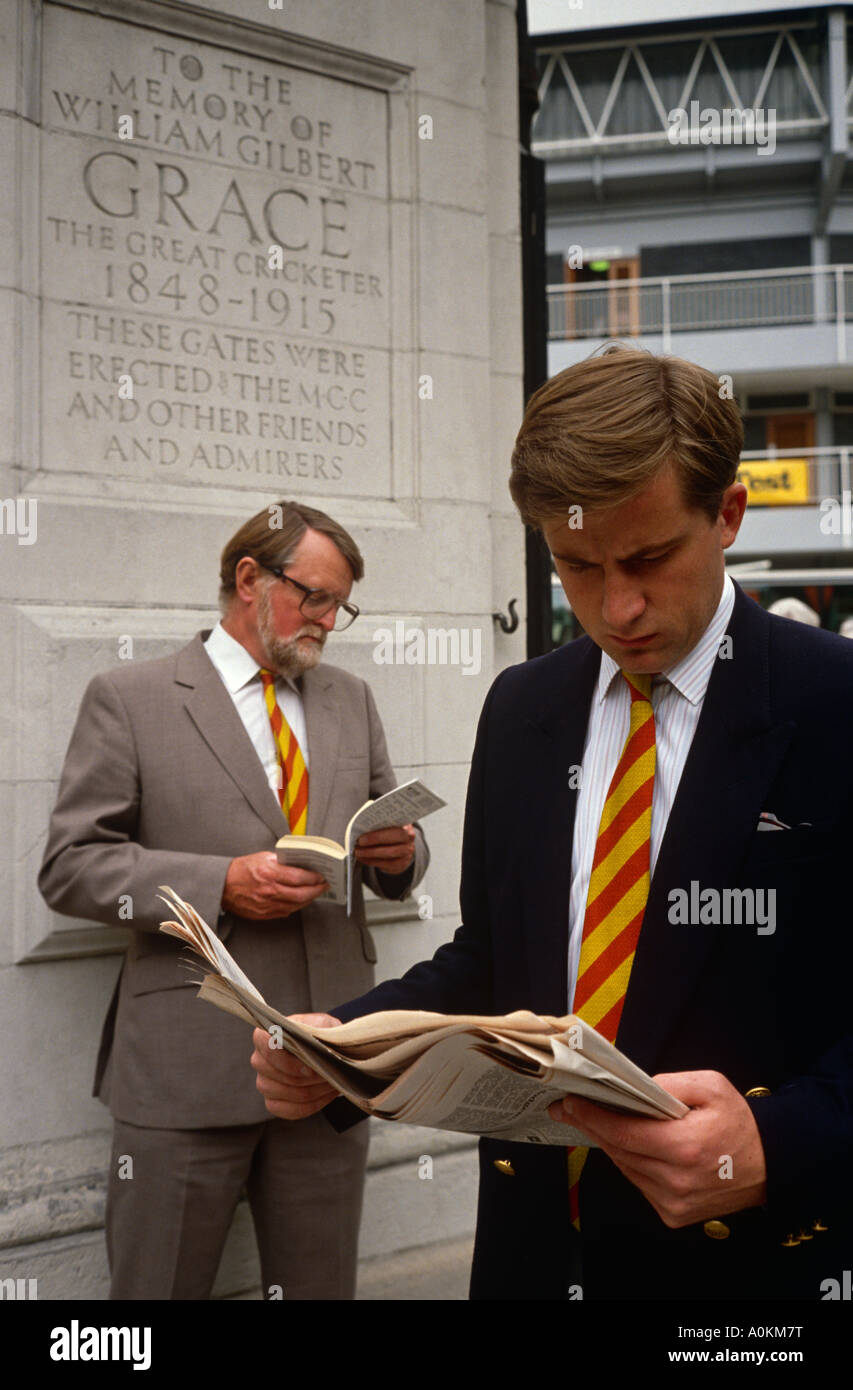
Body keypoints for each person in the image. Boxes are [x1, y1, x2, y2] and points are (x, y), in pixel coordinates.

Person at [250, 350, 853, 1301]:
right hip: (533, 1256)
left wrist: (777, 1139)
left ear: (726, 516)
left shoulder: (834, 702)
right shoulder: (523, 708)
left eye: (649, 558)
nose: (616, 609)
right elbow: (495, 961)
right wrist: (342, 1049)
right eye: (576, 565)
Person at [38, 500, 429, 1300]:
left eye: (338, 606)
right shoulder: (130, 695)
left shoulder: (348, 697)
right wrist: (223, 884)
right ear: (248, 578)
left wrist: (403, 857)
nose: (325, 620)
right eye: (312, 597)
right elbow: (72, 866)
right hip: (185, 1062)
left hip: (327, 1058)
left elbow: (390, 834)